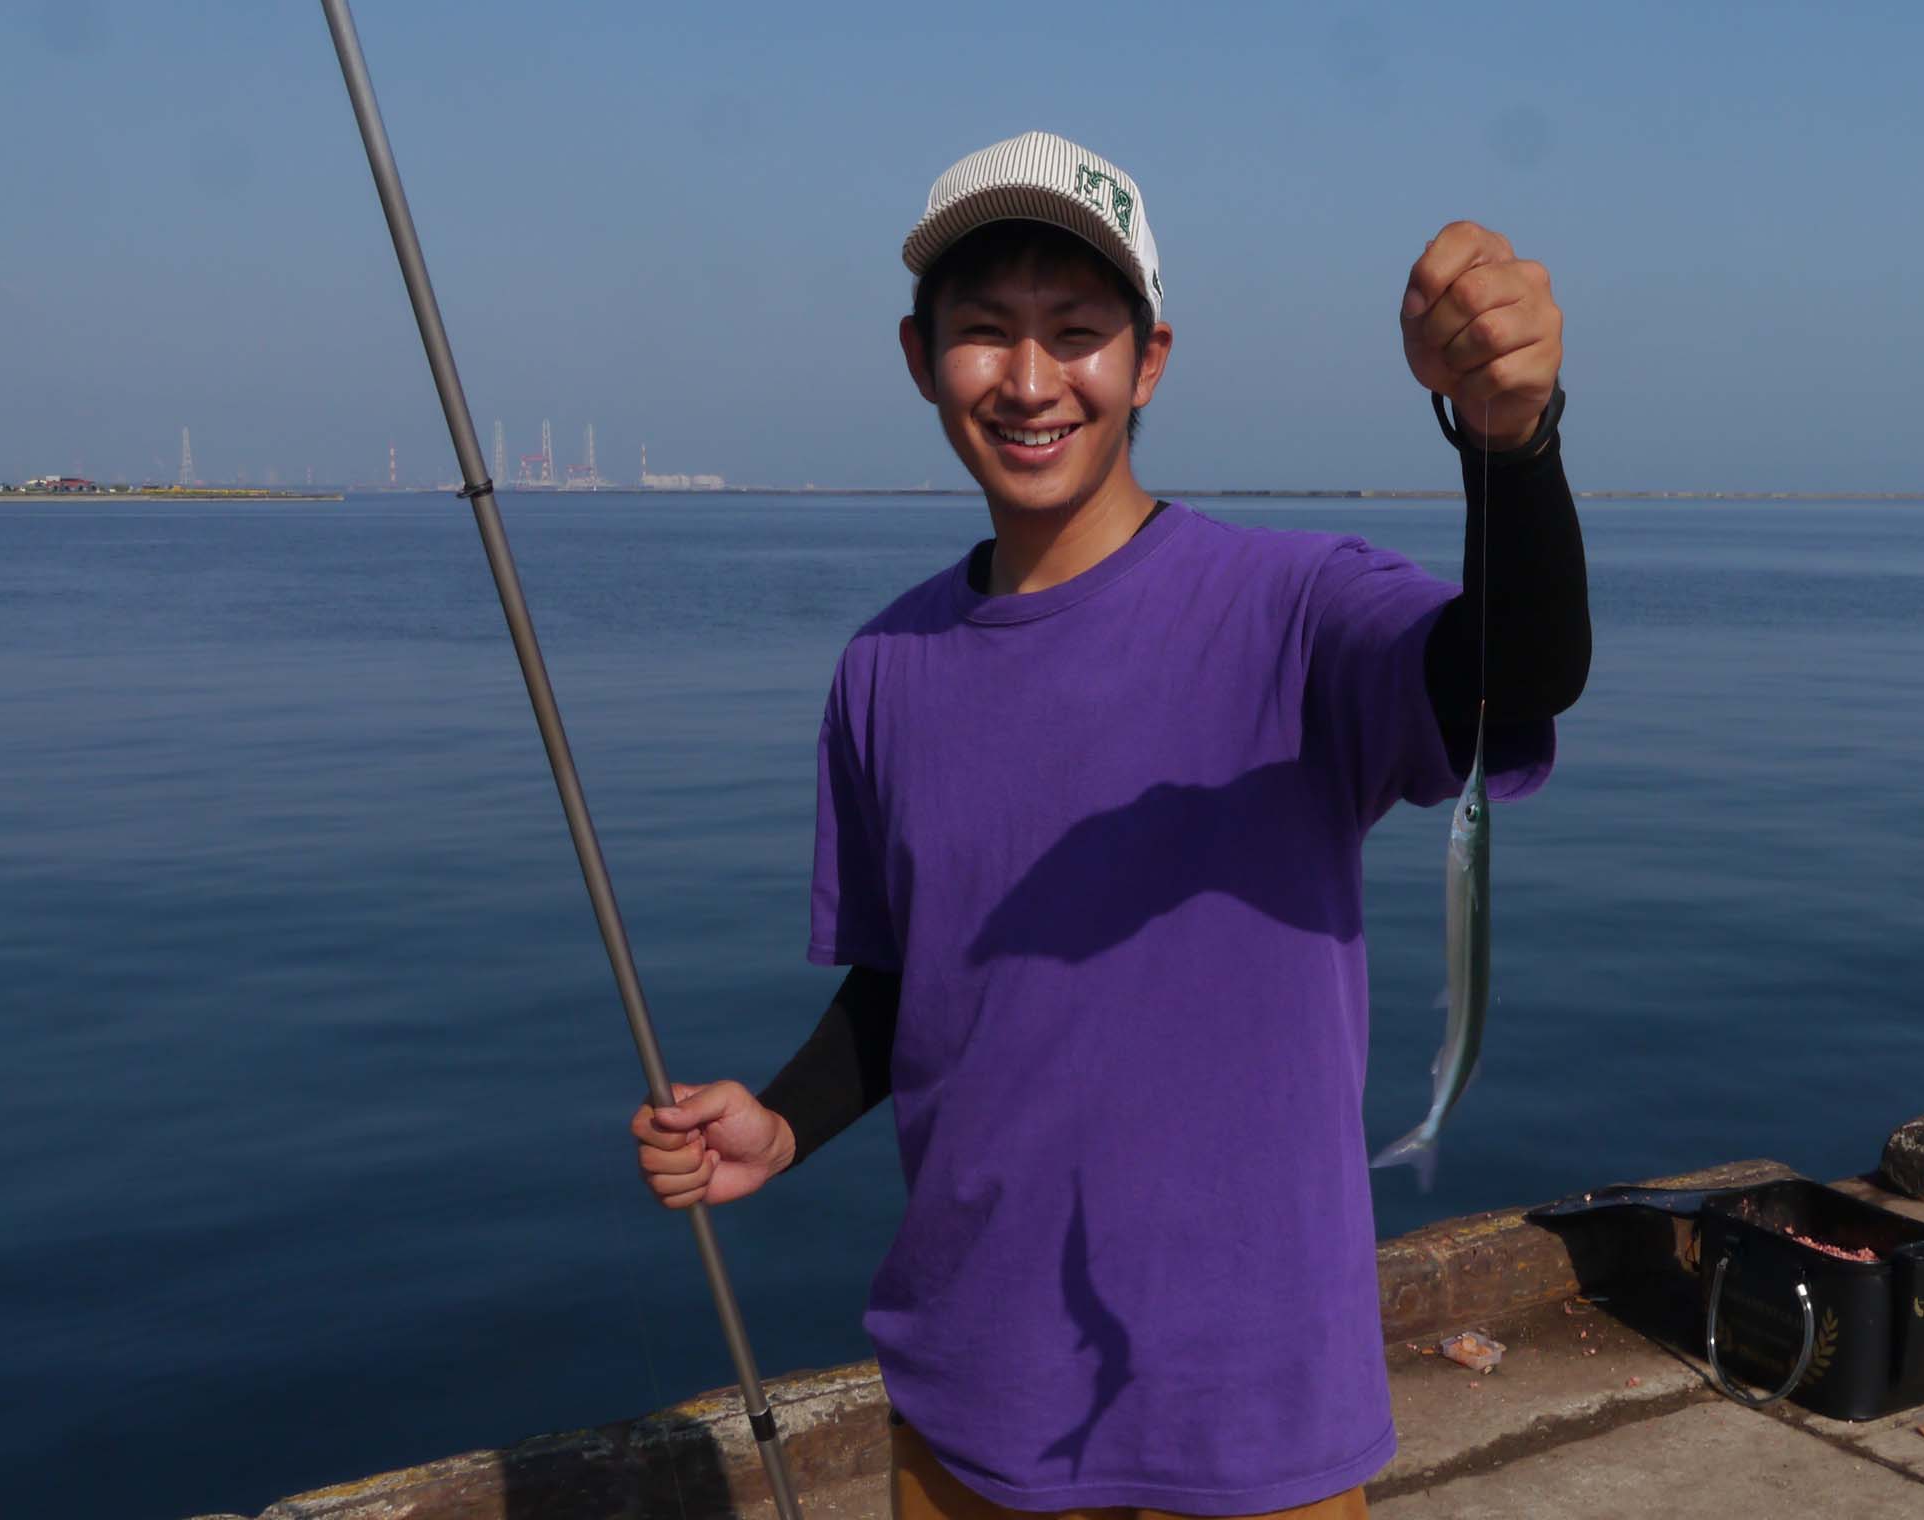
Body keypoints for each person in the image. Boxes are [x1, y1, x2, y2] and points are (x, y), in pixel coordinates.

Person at [626, 131, 1590, 1518]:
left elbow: (1517, 668)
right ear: (919, 358)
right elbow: (911, 976)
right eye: (985, 331)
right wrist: (783, 1120)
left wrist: (1511, 443)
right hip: (970, 1407)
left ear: (1149, 363)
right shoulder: (883, 669)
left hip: (1255, 1418)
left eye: (1077, 332)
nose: (1030, 381)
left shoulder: (1296, 611)